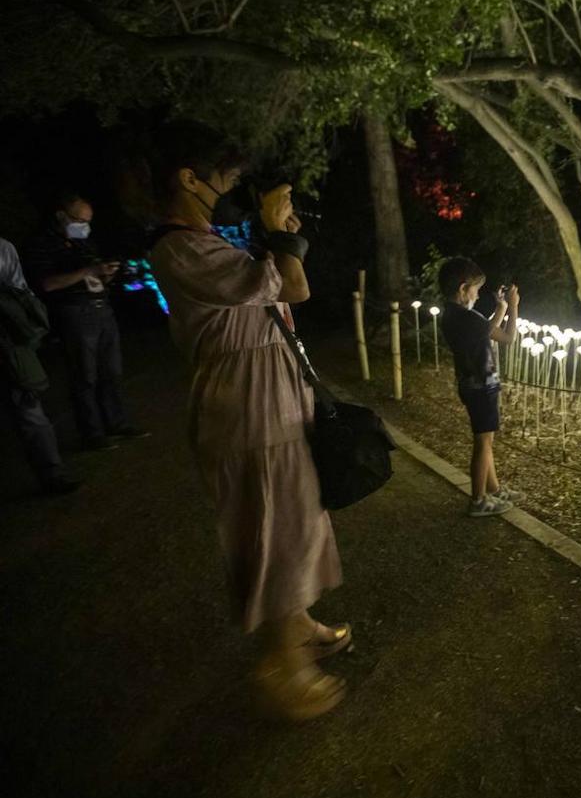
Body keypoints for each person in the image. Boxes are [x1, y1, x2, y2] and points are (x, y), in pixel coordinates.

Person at [146, 120, 348, 721]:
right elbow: (283, 285)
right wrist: (270, 235)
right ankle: (282, 666)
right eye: (225, 177)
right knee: (273, 525)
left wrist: (280, 234)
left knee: (297, 515)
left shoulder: (211, 241)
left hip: (273, 399)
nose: (230, 187)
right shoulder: (179, 246)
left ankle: (301, 625)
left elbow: (294, 290)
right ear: (190, 179)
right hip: (244, 408)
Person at [23, 193, 148, 450]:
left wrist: (107, 274)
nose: (85, 226)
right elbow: (46, 282)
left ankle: (116, 423)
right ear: (61, 216)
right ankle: (92, 433)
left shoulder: (84, 242)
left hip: (101, 308)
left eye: (88, 221)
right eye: (80, 220)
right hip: (75, 313)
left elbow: (94, 273)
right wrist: (88, 272)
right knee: (84, 375)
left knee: (111, 371)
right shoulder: (41, 244)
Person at [437, 256, 523, 517]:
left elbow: (500, 334)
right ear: (463, 289)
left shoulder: (458, 316)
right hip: (480, 387)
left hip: (475, 385)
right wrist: (508, 308)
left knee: (486, 439)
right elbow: (498, 334)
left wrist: (507, 307)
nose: (477, 293)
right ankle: (478, 499)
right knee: (483, 442)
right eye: (475, 288)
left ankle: (494, 490)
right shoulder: (463, 317)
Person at [0, 236, 80, 494]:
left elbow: (21, 294)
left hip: (8, 342)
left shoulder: (3, 248)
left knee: (29, 406)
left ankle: (52, 473)